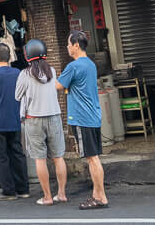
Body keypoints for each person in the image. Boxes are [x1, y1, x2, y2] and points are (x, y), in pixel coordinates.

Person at [57, 30, 108, 210]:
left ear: (76, 45)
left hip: (82, 118)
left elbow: (58, 85)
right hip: (93, 116)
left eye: (69, 44)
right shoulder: (90, 65)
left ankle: (100, 196)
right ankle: (96, 194)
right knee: (93, 157)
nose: (67, 47)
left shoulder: (74, 66)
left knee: (92, 158)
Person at [15, 38, 67, 206]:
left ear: (28, 55)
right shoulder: (51, 70)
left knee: (40, 159)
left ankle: (47, 197)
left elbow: (17, 96)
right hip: (54, 117)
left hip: (34, 119)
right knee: (58, 157)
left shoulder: (25, 74)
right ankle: (62, 193)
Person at [0, 42, 30, 200]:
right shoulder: (17, 72)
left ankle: (9, 191)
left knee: (1, 156)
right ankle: (23, 189)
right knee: (17, 153)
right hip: (14, 118)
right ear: (10, 57)